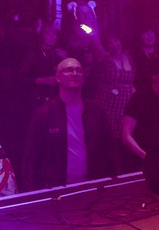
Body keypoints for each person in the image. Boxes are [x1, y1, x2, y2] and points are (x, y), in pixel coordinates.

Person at [21, 56, 120, 190]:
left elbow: (110, 150)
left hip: (93, 186)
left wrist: (116, 184)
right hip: (56, 189)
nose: (74, 73)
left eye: (78, 70)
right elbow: (31, 157)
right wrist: (31, 192)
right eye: (68, 70)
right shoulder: (44, 113)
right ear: (58, 77)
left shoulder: (96, 112)